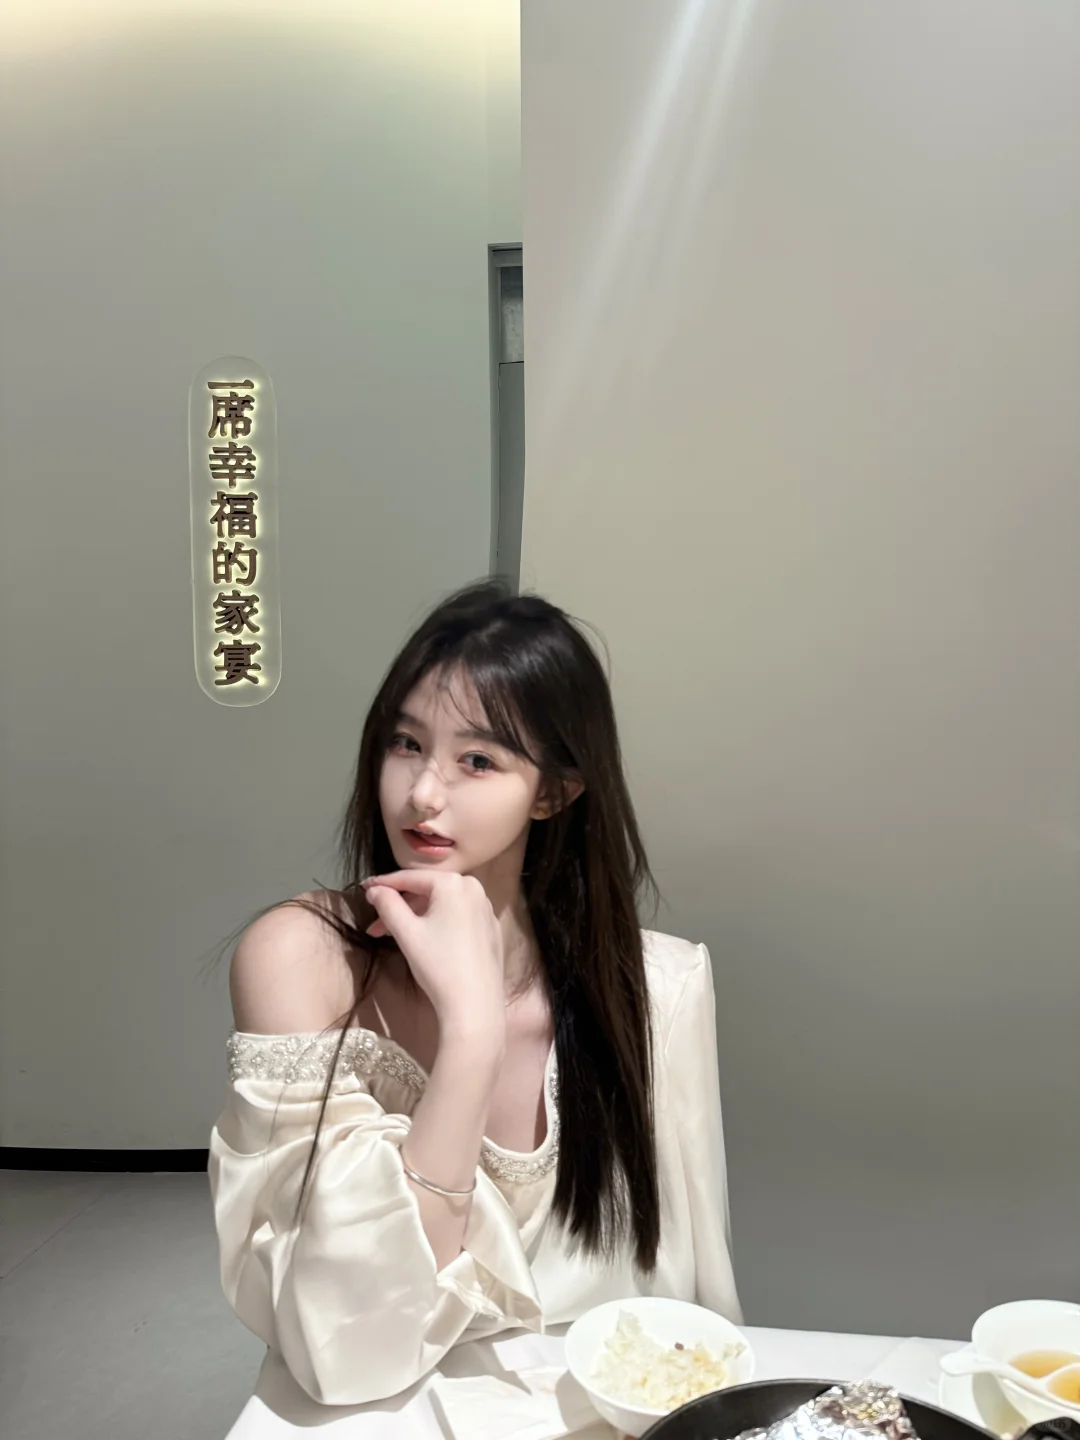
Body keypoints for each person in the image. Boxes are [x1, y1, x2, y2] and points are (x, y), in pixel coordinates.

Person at [209, 580, 740, 1409]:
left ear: (554, 791)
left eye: (479, 761)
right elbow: (346, 1348)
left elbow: (693, 1297)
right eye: (406, 743)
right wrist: (472, 1033)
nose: (423, 793)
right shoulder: (301, 959)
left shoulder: (655, 986)